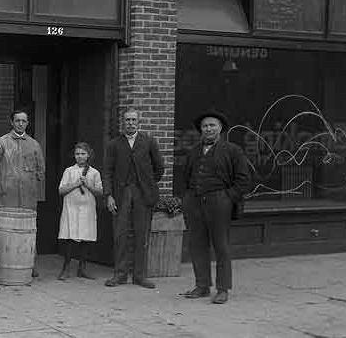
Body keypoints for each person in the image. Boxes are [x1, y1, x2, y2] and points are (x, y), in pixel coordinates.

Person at [180, 110, 250, 305]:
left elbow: (244, 180)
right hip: (194, 202)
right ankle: (202, 286)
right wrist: (187, 198)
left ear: (220, 128)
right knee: (197, 244)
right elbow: (185, 177)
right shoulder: (193, 151)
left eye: (212, 125)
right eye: (205, 126)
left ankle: (222, 289)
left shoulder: (233, 150)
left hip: (219, 202)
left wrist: (227, 197)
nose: (208, 129)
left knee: (221, 246)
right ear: (200, 130)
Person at [103, 108, 165, 288]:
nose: (130, 123)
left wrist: (148, 183)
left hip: (142, 194)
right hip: (121, 195)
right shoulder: (114, 144)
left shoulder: (148, 141)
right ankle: (120, 275)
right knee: (120, 235)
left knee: (141, 234)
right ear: (123, 123)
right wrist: (109, 196)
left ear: (139, 122)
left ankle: (140, 276)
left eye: (133, 120)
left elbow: (159, 167)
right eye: (127, 120)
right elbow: (107, 171)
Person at [0, 109, 45, 278]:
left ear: (27, 123)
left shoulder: (34, 144)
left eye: (24, 121)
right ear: (11, 122)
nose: (20, 124)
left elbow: (41, 170)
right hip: (5, 196)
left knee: (27, 230)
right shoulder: (1, 143)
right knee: (4, 230)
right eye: (17, 120)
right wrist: (1, 184)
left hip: (27, 196)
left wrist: (30, 183)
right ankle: (0, 264)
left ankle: (29, 264)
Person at [57, 142, 103, 280]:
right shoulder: (69, 171)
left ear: (88, 155)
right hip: (71, 208)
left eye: (83, 154)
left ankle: (82, 268)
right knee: (71, 238)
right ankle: (66, 268)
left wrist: (88, 185)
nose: (80, 156)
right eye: (77, 154)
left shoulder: (94, 173)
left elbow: (100, 192)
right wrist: (76, 184)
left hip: (87, 208)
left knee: (86, 238)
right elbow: (61, 190)